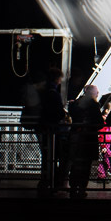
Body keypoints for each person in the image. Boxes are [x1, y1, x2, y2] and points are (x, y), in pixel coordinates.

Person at [67, 84, 103, 199]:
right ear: (92, 93)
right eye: (96, 92)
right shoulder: (94, 105)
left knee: (75, 164)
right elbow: (100, 123)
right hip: (88, 139)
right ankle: (82, 189)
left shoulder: (75, 104)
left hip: (75, 137)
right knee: (86, 165)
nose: (97, 94)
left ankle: (73, 188)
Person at [36, 67, 67, 195]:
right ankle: (51, 183)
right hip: (52, 130)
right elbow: (58, 113)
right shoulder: (53, 93)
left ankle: (45, 182)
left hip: (42, 128)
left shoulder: (42, 92)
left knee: (46, 157)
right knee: (53, 156)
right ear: (57, 79)